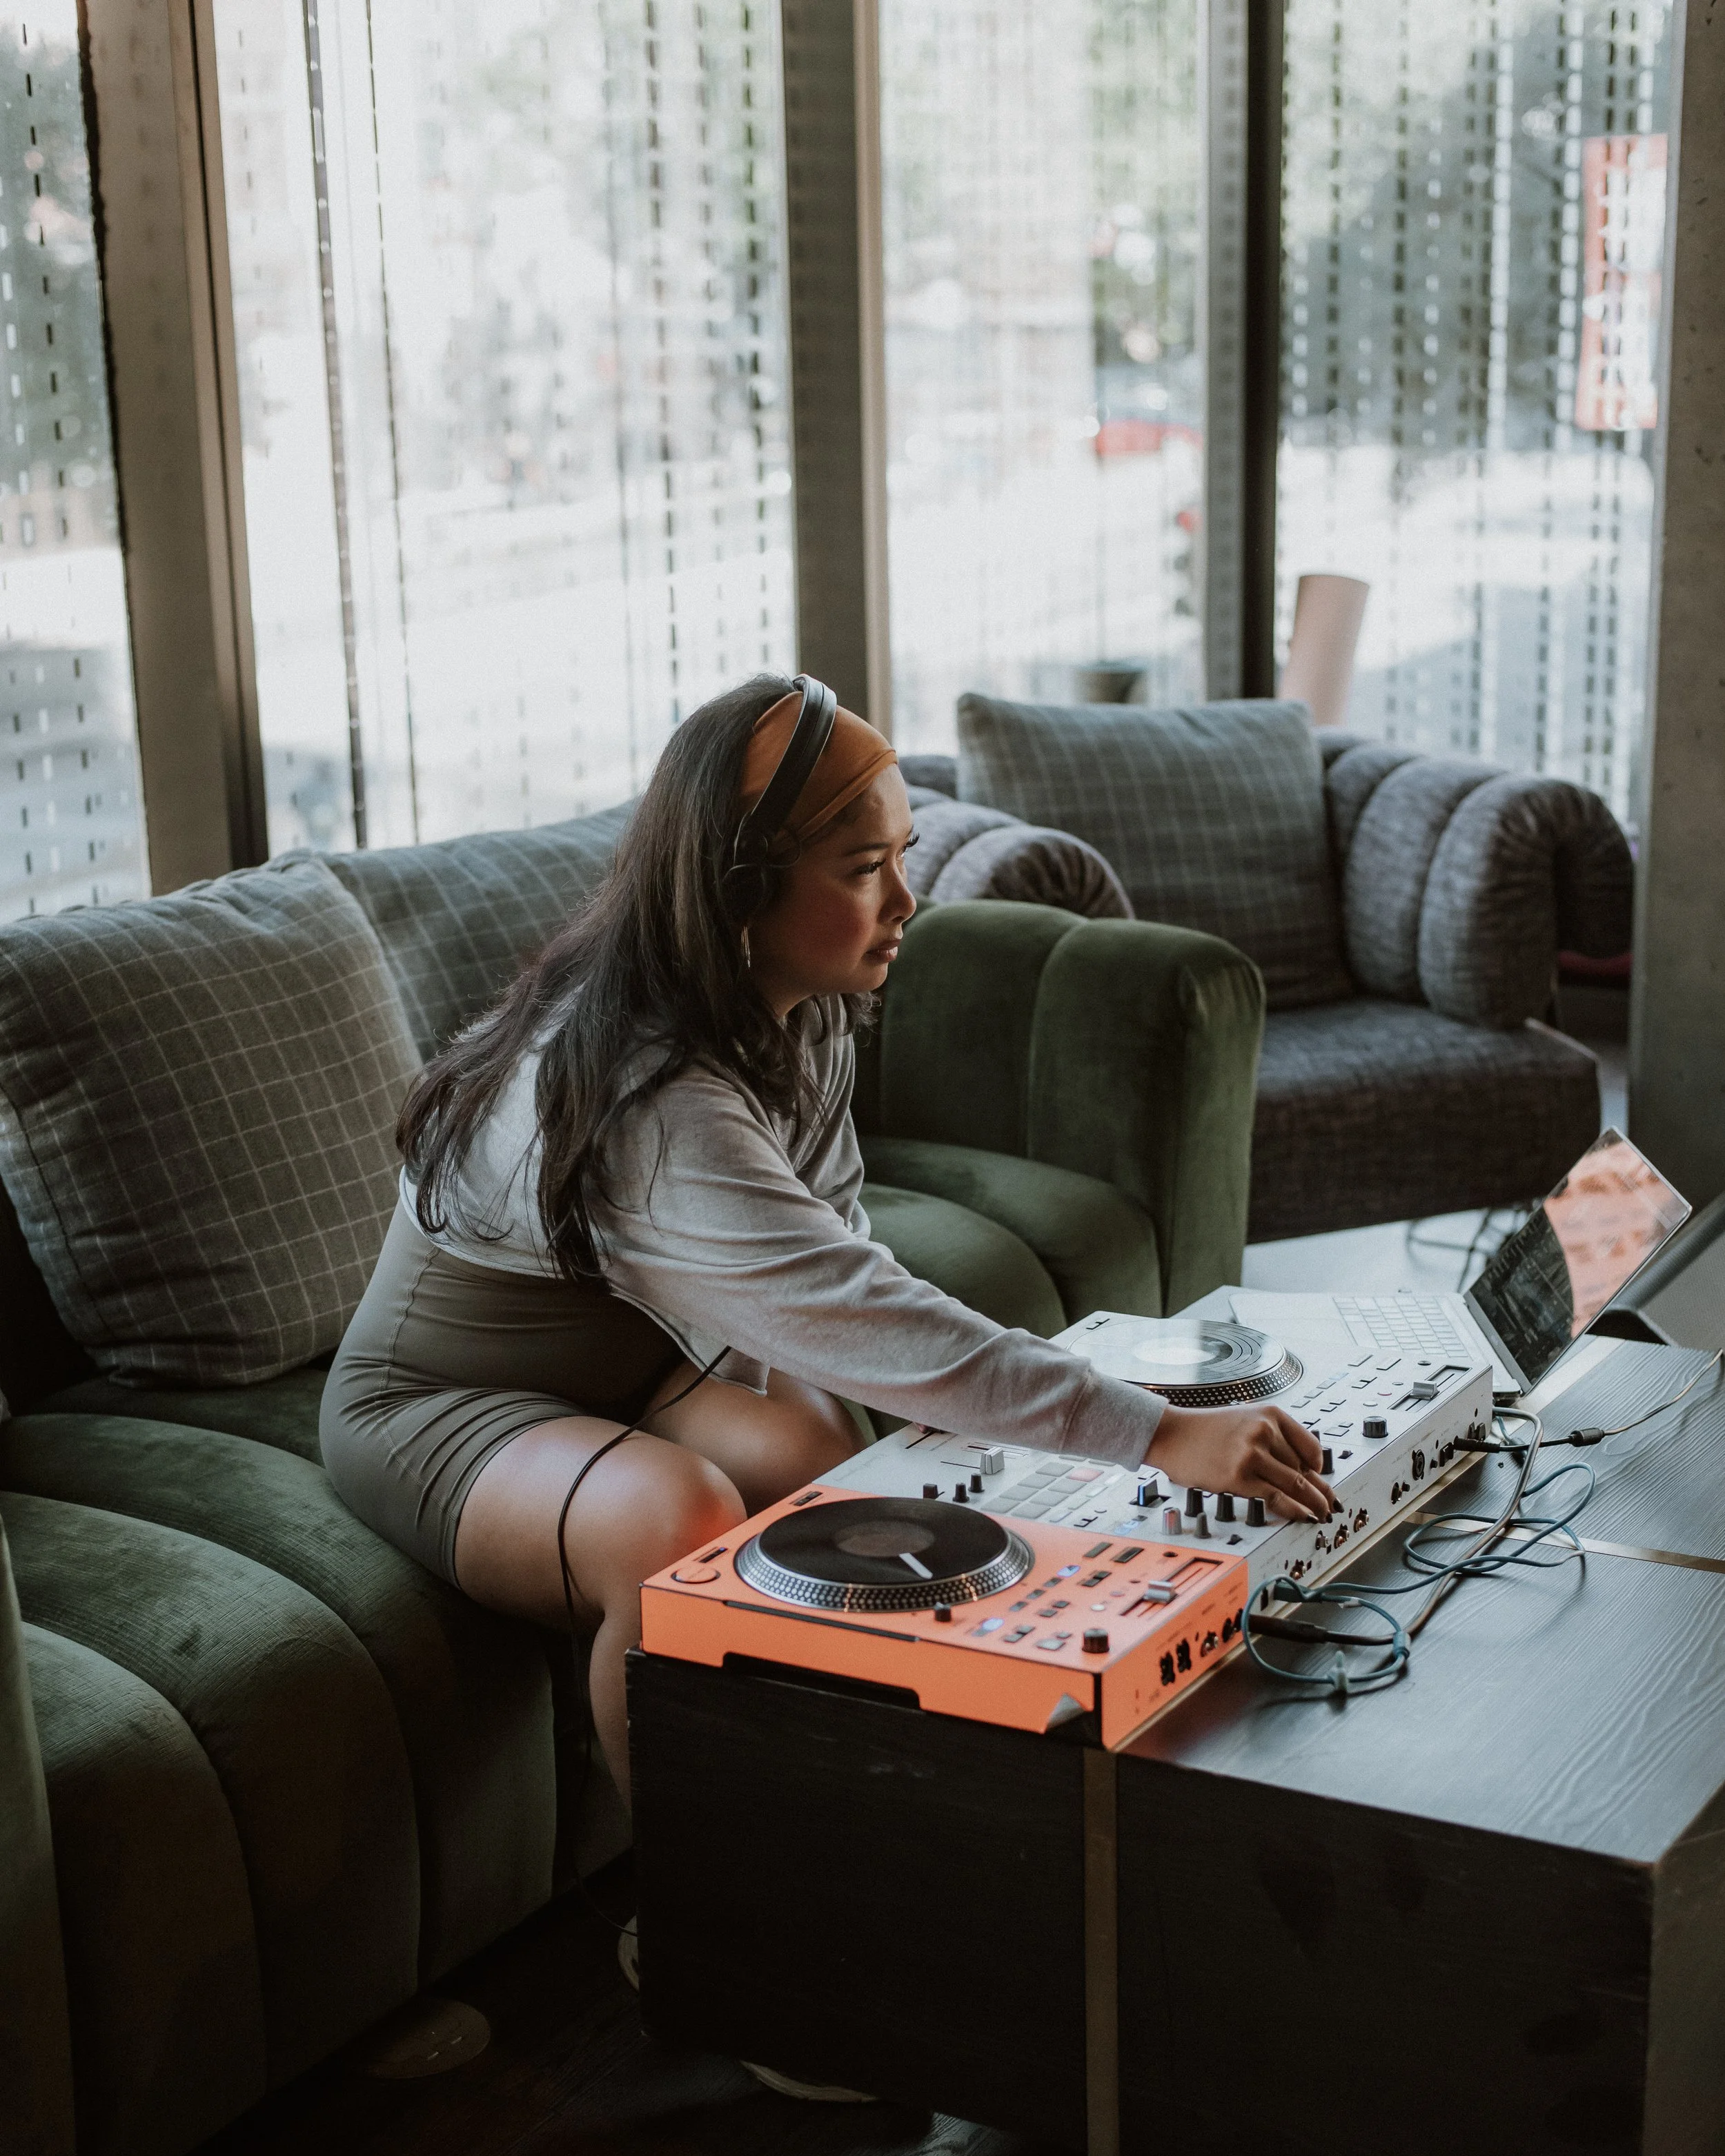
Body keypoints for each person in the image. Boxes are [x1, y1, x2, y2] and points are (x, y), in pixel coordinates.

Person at [322, 676, 1334, 1819]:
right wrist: (1155, 1435)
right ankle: (697, 1941)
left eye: (903, 855)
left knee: (831, 1474)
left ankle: (847, 1829)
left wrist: (930, 1399)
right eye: (864, 870)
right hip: (441, 1399)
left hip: (652, 1363)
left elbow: (832, 1238)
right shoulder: (648, 1102)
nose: (906, 899)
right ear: (739, 892)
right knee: (679, 1524)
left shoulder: (802, 1012)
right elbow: (855, 1309)